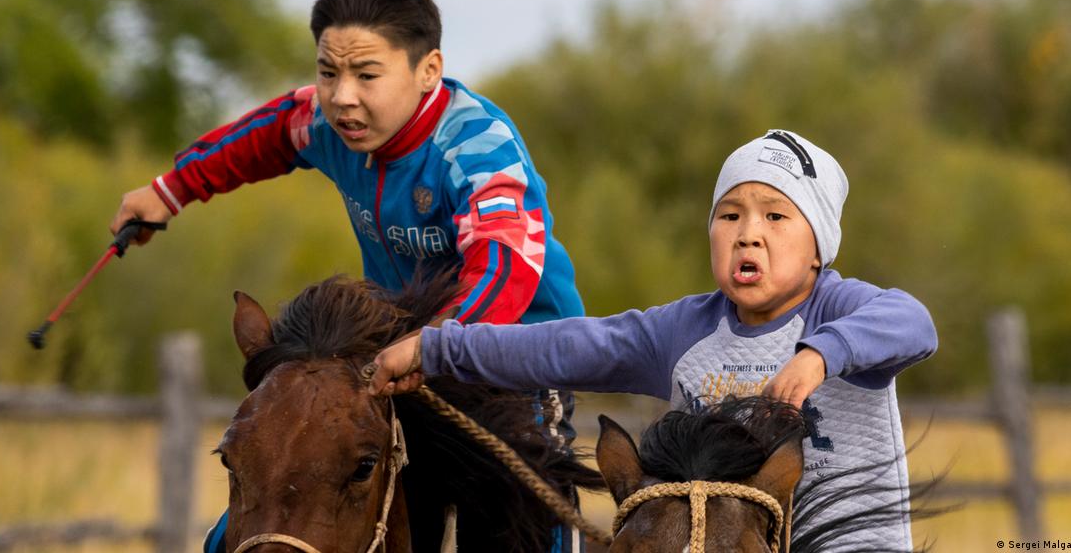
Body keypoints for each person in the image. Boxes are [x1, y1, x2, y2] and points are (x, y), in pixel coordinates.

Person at [107, 0, 584, 553]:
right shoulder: (332, 125)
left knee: (520, 515)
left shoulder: (477, 147)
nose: (342, 97)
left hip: (510, 352)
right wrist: (170, 190)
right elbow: (268, 134)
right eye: (328, 72)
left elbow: (505, 264)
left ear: (428, 70)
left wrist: (438, 344)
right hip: (396, 352)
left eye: (366, 74)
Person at [371, 129, 938, 550]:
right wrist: (435, 348)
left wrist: (820, 355)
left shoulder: (840, 309)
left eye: (776, 217)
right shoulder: (684, 331)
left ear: (819, 248)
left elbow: (912, 321)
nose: (748, 234)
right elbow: (564, 347)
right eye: (730, 215)